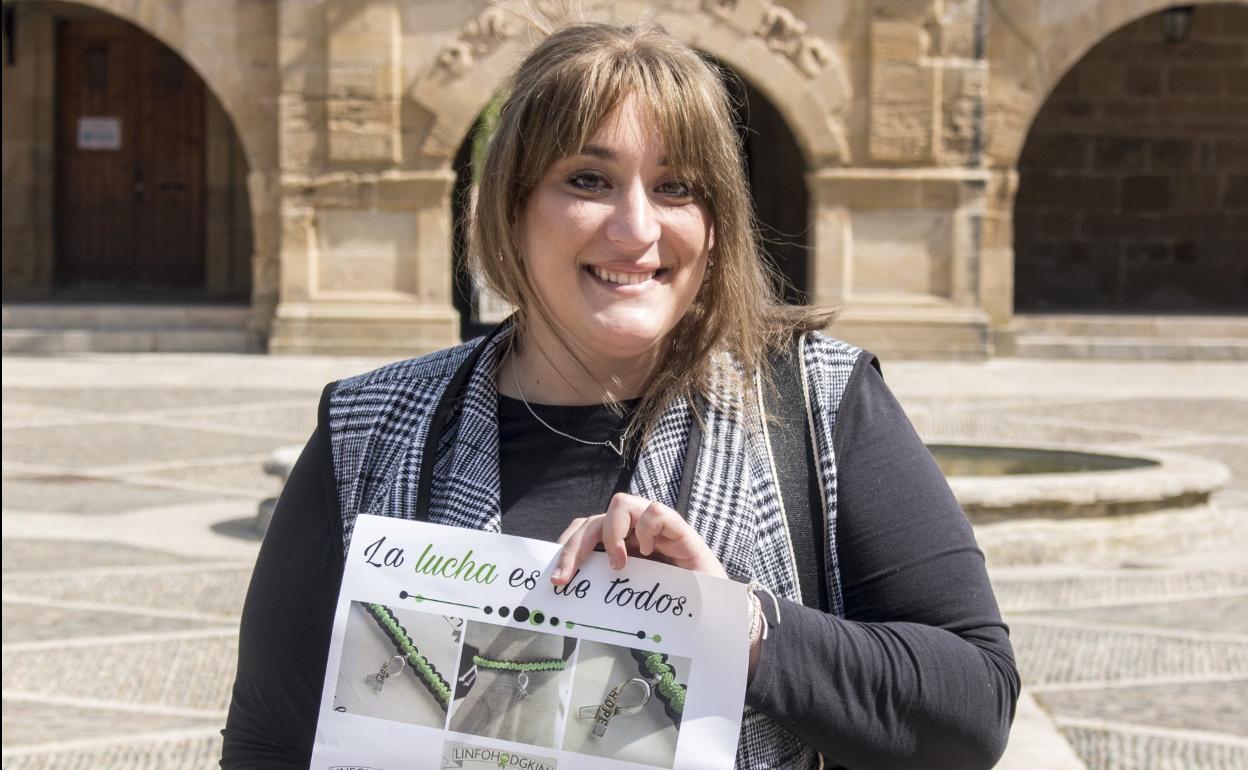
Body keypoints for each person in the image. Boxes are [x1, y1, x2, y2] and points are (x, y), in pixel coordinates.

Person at [221, 22, 1019, 770]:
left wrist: (737, 624)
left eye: (677, 187)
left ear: (716, 221)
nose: (637, 230)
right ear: (513, 206)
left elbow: (973, 705)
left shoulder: (816, 401)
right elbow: (270, 741)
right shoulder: (372, 429)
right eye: (589, 180)